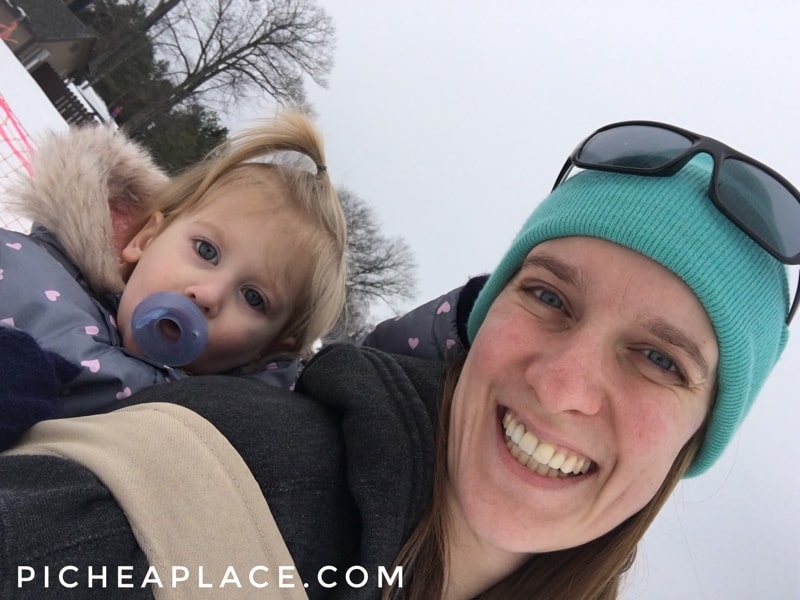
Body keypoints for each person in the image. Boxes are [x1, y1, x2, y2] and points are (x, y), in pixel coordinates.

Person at [0, 120, 794, 599]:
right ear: (481, 322)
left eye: (658, 358)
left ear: (699, 437)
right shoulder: (228, 471)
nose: (564, 386)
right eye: (549, 298)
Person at [0, 112, 346, 440]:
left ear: (265, 349)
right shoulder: (30, 269)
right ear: (145, 240)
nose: (208, 295)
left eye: (253, 298)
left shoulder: (205, 428)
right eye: (206, 251)